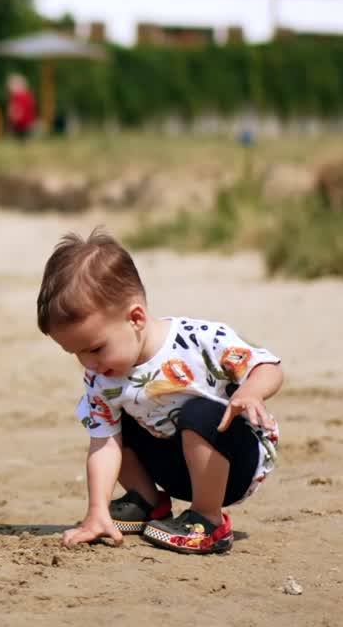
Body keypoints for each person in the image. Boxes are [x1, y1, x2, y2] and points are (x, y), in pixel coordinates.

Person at [36, 228, 283, 556]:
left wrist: (250, 392)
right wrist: (96, 512)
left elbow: (269, 366)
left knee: (198, 412)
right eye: (77, 353)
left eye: (95, 348)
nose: (88, 363)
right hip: (174, 466)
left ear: (136, 318)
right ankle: (147, 501)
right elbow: (104, 444)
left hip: (232, 462)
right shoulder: (101, 378)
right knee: (111, 427)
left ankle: (208, 520)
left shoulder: (198, 339)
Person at [6, 72, 37, 139]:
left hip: (22, 122)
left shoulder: (18, 97)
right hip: (26, 122)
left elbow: (15, 110)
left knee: (20, 136)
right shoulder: (28, 96)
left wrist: (13, 117)